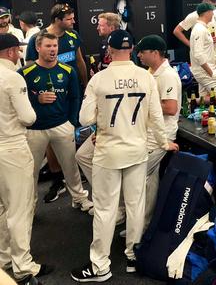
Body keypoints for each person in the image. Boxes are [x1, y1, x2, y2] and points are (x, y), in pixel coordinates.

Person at [70, 30, 178, 282]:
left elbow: (84, 119)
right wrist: (164, 142)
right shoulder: (145, 77)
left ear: (109, 49)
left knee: (106, 209)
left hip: (109, 153)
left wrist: (100, 111)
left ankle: (100, 265)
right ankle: (133, 255)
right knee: (135, 204)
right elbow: (156, 117)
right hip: (137, 151)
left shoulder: (100, 79)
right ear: (131, 50)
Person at [18, 31, 93, 213]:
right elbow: (18, 102)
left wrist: (72, 121)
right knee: (30, 172)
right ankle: (30, 207)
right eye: (48, 46)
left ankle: (79, 198)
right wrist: (37, 100)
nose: (52, 50)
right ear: (37, 48)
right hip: (34, 129)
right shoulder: (25, 73)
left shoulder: (68, 71)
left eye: (55, 46)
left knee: (70, 165)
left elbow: (75, 97)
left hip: (62, 126)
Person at [0, 34, 52, 285]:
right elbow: (28, 117)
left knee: (1, 208)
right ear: (10, 51)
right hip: (11, 147)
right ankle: (23, 266)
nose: (20, 54)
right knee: (19, 209)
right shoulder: (12, 77)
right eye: (17, 50)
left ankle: (4, 259)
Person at [135, 35, 182, 227]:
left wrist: (143, 102)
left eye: (142, 52)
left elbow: (171, 107)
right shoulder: (150, 72)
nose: (138, 55)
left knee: (140, 177)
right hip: (149, 133)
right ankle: (144, 224)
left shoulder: (168, 75)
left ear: (155, 53)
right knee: (149, 180)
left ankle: (143, 226)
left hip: (161, 136)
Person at [174, 0, 216, 91]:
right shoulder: (193, 17)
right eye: (213, 1)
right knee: (205, 89)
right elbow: (177, 31)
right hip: (204, 58)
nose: (215, 4)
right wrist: (192, 45)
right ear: (204, 1)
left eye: (215, 1)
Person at [25, 3, 88, 87]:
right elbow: (30, 68)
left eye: (73, 18)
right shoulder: (36, 38)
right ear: (57, 20)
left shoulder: (73, 35)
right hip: (49, 88)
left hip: (73, 87)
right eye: (69, 19)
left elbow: (79, 61)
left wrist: (86, 85)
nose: (73, 21)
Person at [189, 2, 216, 101]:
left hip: (204, 69)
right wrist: (211, 72)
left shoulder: (201, 28)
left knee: (203, 98)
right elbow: (198, 54)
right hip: (205, 71)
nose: (213, 14)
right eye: (212, 12)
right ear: (207, 13)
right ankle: (189, 102)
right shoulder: (200, 30)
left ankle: (192, 103)